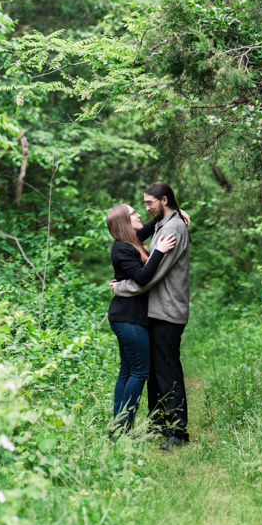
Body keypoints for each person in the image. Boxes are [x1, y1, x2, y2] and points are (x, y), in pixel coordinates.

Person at [112, 182, 191, 450]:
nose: (146, 209)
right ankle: (157, 426)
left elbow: (149, 277)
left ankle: (178, 432)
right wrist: (180, 213)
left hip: (168, 311)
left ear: (164, 200)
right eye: (143, 205)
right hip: (156, 311)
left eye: (149, 203)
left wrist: (120, 286)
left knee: (167, 372)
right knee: (155, 374)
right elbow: (145, 232)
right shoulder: (163, 223)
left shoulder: (172, 228)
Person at [106, 203, 176, 434]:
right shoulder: (122, 249)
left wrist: (176, 212)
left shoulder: (131, 240)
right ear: (124, 222)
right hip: (128, 317)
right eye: (133, 213)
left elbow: (150, 224)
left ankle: (118, 428)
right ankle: (123, 428)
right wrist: (159, 251)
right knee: (138, 372)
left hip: (129, 316)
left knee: (127, 370)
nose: (139, 214)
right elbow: (142, 278)